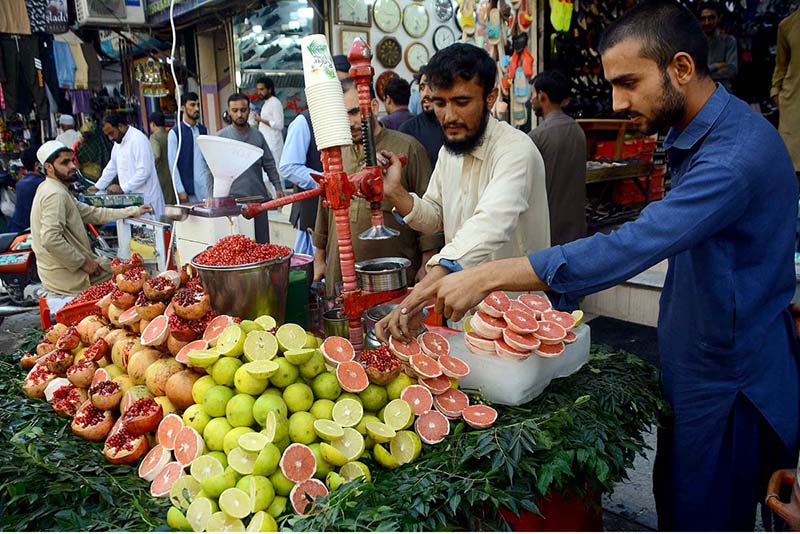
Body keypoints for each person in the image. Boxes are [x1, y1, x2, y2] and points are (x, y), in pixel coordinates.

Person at [380, 2, 799, 530]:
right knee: (680, 504)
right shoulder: (699, 133)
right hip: (696, 359)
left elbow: (633, 245)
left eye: (628, 83)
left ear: (683, 68)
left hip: (731, 378)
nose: (618, 102)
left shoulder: (733, 158)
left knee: (705, 517)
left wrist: (484, 274)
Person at [379, 43, 549, 314]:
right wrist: (396, 192)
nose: (449, 116)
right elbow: (435, 216)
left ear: (490, 98)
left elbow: (491, 223)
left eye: (461, 102)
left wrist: (433, 277)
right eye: (440, 103)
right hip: (463, 307)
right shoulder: (450, 152)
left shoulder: (517, 150)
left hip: (517, 310)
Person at [312, 77, 441, 293]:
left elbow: (429, 208)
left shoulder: (408, 148)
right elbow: (324, 208)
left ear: (373, 106)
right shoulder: (335, 153)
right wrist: (319, 258)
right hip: (341, 270)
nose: (349, 121)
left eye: (354, 112)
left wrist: (427, 260)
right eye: (342, 115)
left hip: (392, 274)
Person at [30, 140, 153, 296]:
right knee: (132, 280)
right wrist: (83, 263)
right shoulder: (55, 195)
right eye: (65, 163)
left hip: (61, 270)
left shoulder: (54, 188)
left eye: (72, 161)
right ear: (49, 167)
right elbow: (50, 239)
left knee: (121, 268)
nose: (72, 166)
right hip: (68, 277)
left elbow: (93, 213)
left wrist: (131, 211)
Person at [279, 55, 353, 256]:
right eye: (337, 85)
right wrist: (324, 183)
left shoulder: (352, 118)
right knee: (314, 270)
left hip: (346, 213)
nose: (341, 91)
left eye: (346, 85)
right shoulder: (304, 121)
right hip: (314, 211)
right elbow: (288, 166)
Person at [529, 70, 587, 246]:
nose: (530, 100)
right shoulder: (578, 130)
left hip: (548, 234)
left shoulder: (537, 137)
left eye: (533, 94)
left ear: (542, 96)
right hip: (576, 233)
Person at [217, 93, 282, 244]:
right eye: (235, 110)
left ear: (249, 110)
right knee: (237, 246)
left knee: (261, 244)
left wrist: (278, 186)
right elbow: (211, 169)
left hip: (257, 199)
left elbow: (269, 164)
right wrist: (215, 197)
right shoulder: (221, 137)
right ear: (229, 111)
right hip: (233, 202)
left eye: (243, 110)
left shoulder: (258, 136)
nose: (239, 114)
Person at [93, 114, 166, 218]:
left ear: (120, 126)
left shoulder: (138, 139)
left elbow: (144, 171)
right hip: (131, 201)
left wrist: (123, 188)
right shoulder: (118, 143)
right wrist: (97, 187)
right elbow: (112, 166)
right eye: (107, 135)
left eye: (111, 133)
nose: (110, 138)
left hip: (147, 199)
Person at [168, 92, 212, 203]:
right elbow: (173, 165)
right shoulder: (175, 133)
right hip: (188, 189)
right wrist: (180, 190)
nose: (196, 108)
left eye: (198, 105)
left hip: (205, 187)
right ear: (183, 107)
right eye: (192, 105)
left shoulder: (203, 130)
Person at [771, 8, 800, 179]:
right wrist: (776, 92)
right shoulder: (787, 25)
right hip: (793, 103)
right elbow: (781, 65)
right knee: (793, 166)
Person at [399, 66, 446, 168]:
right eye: (421, 88)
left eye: (431, 86)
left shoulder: (454, 126)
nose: (425, 93)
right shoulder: (408, 130)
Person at [699, 2, 737, 92]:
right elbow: (694, 73)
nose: (707, 22)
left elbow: (731, 69)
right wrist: (716, 66)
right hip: (700, 93)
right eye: (703, 19)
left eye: (711, 18)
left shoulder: (729, 41)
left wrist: (704, 73)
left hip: (723, 92)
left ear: (719, 18)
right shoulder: (696, 43)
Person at [7, 147, 44, 233]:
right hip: (27, 232)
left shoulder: (21, 183)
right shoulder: (41, 184)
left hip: (16, 229)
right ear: (37, 164)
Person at [253, 77, 285, 175]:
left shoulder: (275, 103)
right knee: (267, 175)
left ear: (269, 89)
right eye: (258, 90)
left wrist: (260, 120)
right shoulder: (266, 103)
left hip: (273, 144)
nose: (259, 92)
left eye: (262, 89)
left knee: (276, 172)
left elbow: (279, 125)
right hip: (266, 143)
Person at [148, 111, 176, 206]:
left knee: (165, 205)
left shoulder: (154, 137)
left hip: (161, 175)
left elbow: (156, 155)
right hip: (174, 175)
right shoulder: (170, 135)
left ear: (152, 124)